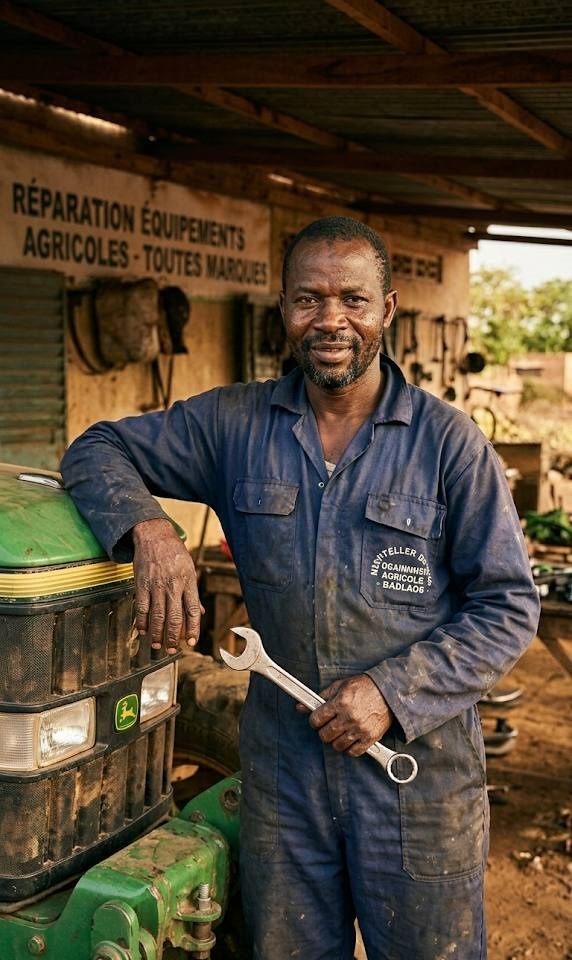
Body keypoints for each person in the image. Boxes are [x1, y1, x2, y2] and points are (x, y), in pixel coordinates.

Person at [61, 216, 540, 959]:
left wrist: (391, 693)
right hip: (285, 773)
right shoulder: (233, 425)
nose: (331, 320)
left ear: (387, 308)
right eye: (309, 299)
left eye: (352, 299)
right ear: (284, 309)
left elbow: (509, 606)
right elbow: (99, 447)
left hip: (418, 782)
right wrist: (149, 533)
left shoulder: (449, 444)